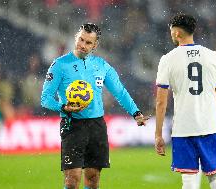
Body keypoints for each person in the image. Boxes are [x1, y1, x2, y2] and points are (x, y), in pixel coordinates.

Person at [41, 23, 149, 189]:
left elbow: (119, 91)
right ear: (76, 37)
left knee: (93, 178)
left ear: (95, 45)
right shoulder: (59, 65)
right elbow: (46, 98)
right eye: (81, 39)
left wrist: (136, 112)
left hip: (96, 126)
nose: (83, 45)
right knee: (72, 179)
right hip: (72, 125)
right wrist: (63, 108)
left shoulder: (102, 66)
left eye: (88, 42)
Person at [155, 14, 216, 189]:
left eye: (172, 31)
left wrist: (158, 134)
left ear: (177, 33)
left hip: (183, 128)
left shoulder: (168, 59)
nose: (171, 35)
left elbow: (161, 102)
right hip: (210, 126)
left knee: (188, 180)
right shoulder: (213, 56)